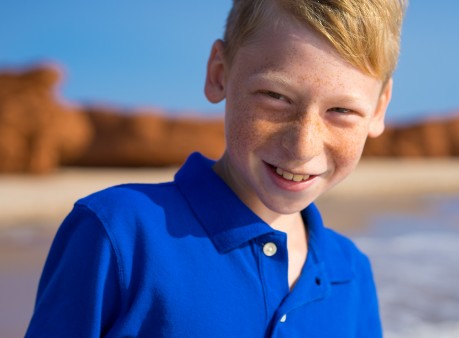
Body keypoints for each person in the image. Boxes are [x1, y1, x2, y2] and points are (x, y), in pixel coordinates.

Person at [26, 0, 407, 336]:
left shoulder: (352, 273)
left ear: (378, 109)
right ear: (218, 73)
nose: (303, 146)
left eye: (341, 110)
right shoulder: (119, 232)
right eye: (275, 96)